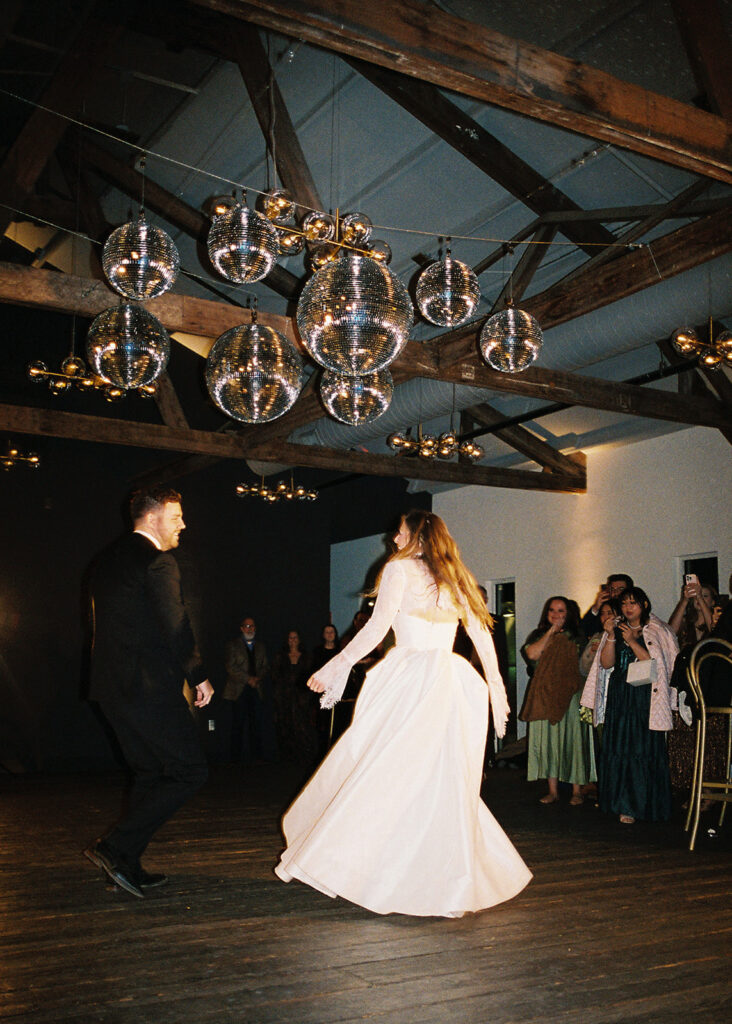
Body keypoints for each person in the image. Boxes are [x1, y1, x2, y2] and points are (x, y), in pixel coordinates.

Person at [274, 510, 532, 917]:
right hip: (451, 681)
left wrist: (334, 666)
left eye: (399, 532)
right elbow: (483, 638)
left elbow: (376, 629)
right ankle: (440, 880)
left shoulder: (399, 569)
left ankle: (374, 867)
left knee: (384, 770)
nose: (394, 539)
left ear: (414, 535)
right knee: (437, 778)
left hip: (410, 678)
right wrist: (497, 691)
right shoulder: (458, 575)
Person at [84, 486, 213, 898]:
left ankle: (125, 864)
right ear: (153, 517)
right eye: (176, 517)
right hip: (148, 687)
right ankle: (115, 847)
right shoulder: (158, 561)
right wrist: (199, 675)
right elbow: (175, 626)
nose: (183, 525)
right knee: (190, 771)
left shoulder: (104, 560)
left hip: (110, 687)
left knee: (148, 773)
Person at [581, 587, 678, 824]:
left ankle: (644, 804)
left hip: (645, 696)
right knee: (619, 747)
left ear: (644, 604)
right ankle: (622, 804)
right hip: (620, 695)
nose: (628, 608)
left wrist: (632, 641)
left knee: (642, 748)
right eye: (624, 603)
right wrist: (611, 636)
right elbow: (606, 663)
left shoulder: (657, 629)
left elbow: (657, 665)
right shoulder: (615, 627)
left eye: (633, 603)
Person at [520, 596, 595, 805]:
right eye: (552, 610)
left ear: (568, 613)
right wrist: (551, 632)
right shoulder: (538, 635)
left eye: (561, 611)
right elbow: (532, 654)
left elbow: (583, 667)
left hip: (570, 695)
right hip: (544, 695)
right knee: (549, 742)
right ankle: (552, 791)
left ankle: (576, 791)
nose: (556, 614)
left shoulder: (577, 637)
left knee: (573, 740)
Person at [222, 617, 276, 765]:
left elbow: (266, 666)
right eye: (246, 626)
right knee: (237, 723)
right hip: (238, 689)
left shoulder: (261, 646)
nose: (249, 629)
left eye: (252, 626)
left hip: (256, 689)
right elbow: (230, 667)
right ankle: (235, 758)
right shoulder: (232, 645)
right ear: (241, 628)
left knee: (257, 723)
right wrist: (248, 679)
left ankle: (257, 756)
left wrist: (257, 678)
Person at [271, 629, 316, 765]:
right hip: (284, 697)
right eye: (290, 638)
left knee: (302, 726)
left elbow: (310, 675)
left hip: (302, 698)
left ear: (299, 640)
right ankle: (287, 758)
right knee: (286, 726)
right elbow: (275, 676)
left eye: (295, 637)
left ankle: (304, 757)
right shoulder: (280, 657)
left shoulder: (306, 657)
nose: (293, 640)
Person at [581, 573, 634, 638]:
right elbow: (584, 631)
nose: (616, 592)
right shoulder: (604, 609)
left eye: (620, 589)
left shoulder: (634, 611)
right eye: (612, 589)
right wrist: (596, 607)